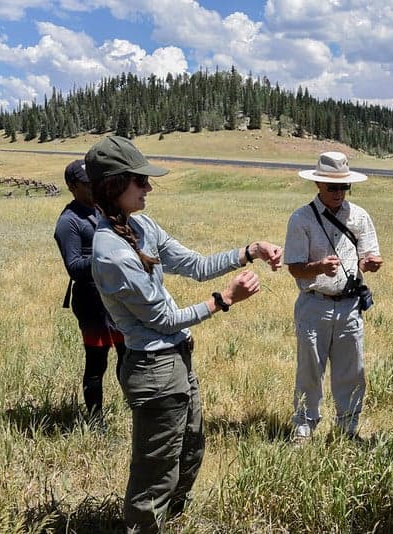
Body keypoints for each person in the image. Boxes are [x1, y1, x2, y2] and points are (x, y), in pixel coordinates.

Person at [85, 135, 282, 534]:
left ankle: (171, 521)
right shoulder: (111, 252)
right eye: (140, 180)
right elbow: (164, 319)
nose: (148, 187)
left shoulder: (141, 225)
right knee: (155, 472)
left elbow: (195, 264)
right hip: (154, 370)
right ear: (114, 185)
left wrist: (249, 251)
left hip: (176, 361)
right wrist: (224, 300)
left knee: (189, 451)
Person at [284, 151, 383, 442]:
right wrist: (318, 267)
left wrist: (370, 263)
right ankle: (304, 428)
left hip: (350, 305)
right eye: (332, 187)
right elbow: (294, 267)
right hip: (314, 304)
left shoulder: (359, 216)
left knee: (352, 371)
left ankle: (347, 429)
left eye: (344, 187)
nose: (339, 193)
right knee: (309, 371)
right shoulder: (301, 218)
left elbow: (367, 255)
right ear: (318, 184)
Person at [54, 160, 126, 426]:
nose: (94, 187)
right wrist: (107, 256)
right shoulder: (68, 222)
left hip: (114, 295)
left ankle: (135, 405)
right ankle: (96, 422)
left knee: (127, 353)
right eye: (87, 184)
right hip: (91, 301)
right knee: (97, 363)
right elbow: (74, 267)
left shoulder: (100, 209)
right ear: (72, 186)